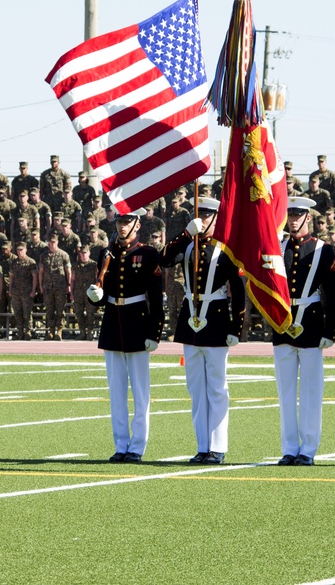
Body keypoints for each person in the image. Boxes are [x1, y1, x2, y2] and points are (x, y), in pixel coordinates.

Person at [159, 197, 245, 465]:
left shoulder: (226, 248)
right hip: (190, 319)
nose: (204, 219)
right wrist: (186, 233)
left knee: (217, 388)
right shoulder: (187, 243)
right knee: (196, 388)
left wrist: (236, 326)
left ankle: (218, 447)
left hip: (217, 317)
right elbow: (164, 259)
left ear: (216, 218)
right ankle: (202, 445)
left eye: (208, 215)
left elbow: (239, 290)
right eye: (201, 215)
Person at [85, 207, 164, 464]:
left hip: (138, 325)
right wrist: (94, 297)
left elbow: (155, 298)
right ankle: (120, 444)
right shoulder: (106, 253)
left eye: (128, 221)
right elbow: (102, 290)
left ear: (137, 224)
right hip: (112, 325)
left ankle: (137, 446)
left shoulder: (148, 254)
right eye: (120, 221)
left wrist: (155, 332)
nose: (122, 226)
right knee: (116, 393)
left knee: (140, 393)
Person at [272, 196, 335, 466]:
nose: (295, 219)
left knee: (311, 391)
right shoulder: (277, 247)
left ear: (309, 217)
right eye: (291, 214)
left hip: (311, 323)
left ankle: (308, 449)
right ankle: (289, 448)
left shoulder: (324, 249)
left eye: (300, 214)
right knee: (285, 392)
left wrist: (330, 330)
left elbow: (333, 294)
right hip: (283, 323)